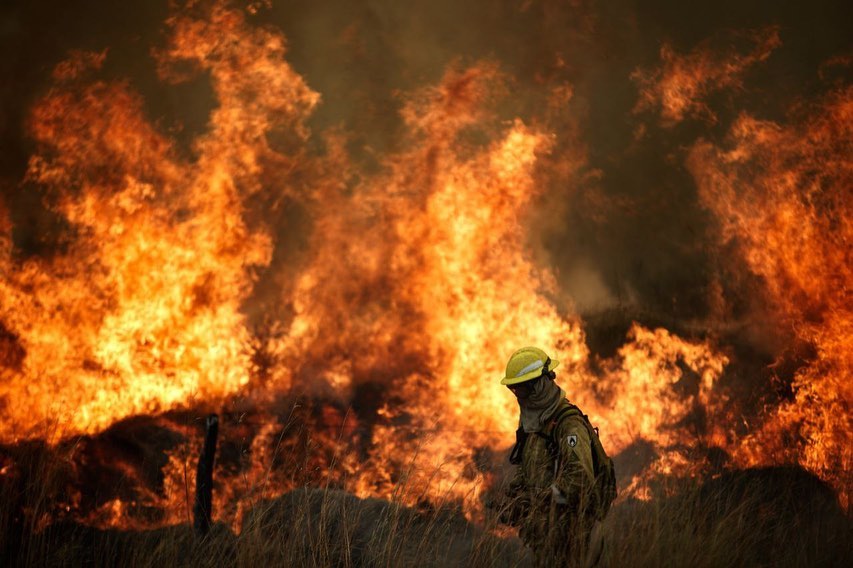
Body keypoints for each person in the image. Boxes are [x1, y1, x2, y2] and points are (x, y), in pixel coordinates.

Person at [496, 346, 614, 568]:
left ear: (540, 384)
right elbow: (529, 468)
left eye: (522, 390)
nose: (518, 397)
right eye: (514, 390)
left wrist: (542, 499)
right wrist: (515, 500)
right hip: (547, 539)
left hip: (571, 538)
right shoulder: (535, 423)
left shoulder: (569, 426)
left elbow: (579, 478)